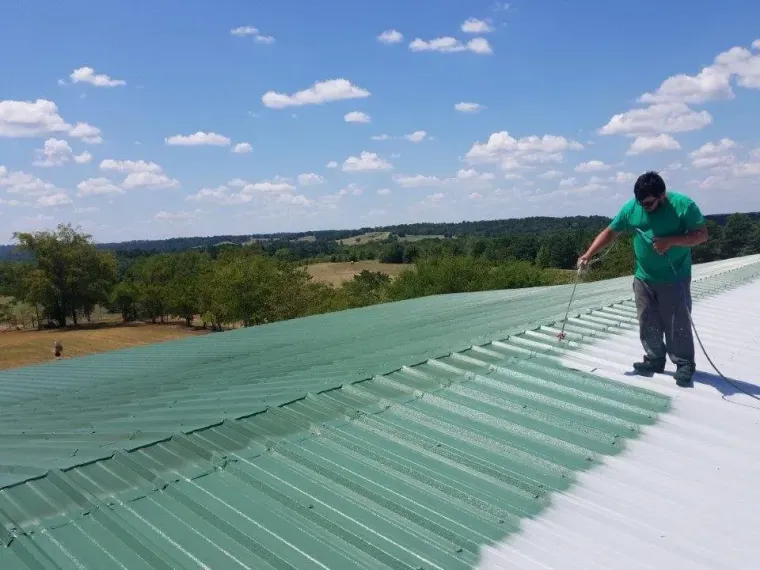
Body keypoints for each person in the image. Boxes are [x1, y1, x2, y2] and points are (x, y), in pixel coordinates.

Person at [577, 171, 709, 387]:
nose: (644, 207)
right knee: (647, 319)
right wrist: (589, 254)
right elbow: (610, 232)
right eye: (641, 203)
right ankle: (654, 359)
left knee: (677, 322)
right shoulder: (632, 207)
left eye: (648, 203)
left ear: (662, 195)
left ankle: (684, 364)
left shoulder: (684, 205)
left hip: (674, 276)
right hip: (644, 276)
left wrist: (670, 241)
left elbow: (702, 235)